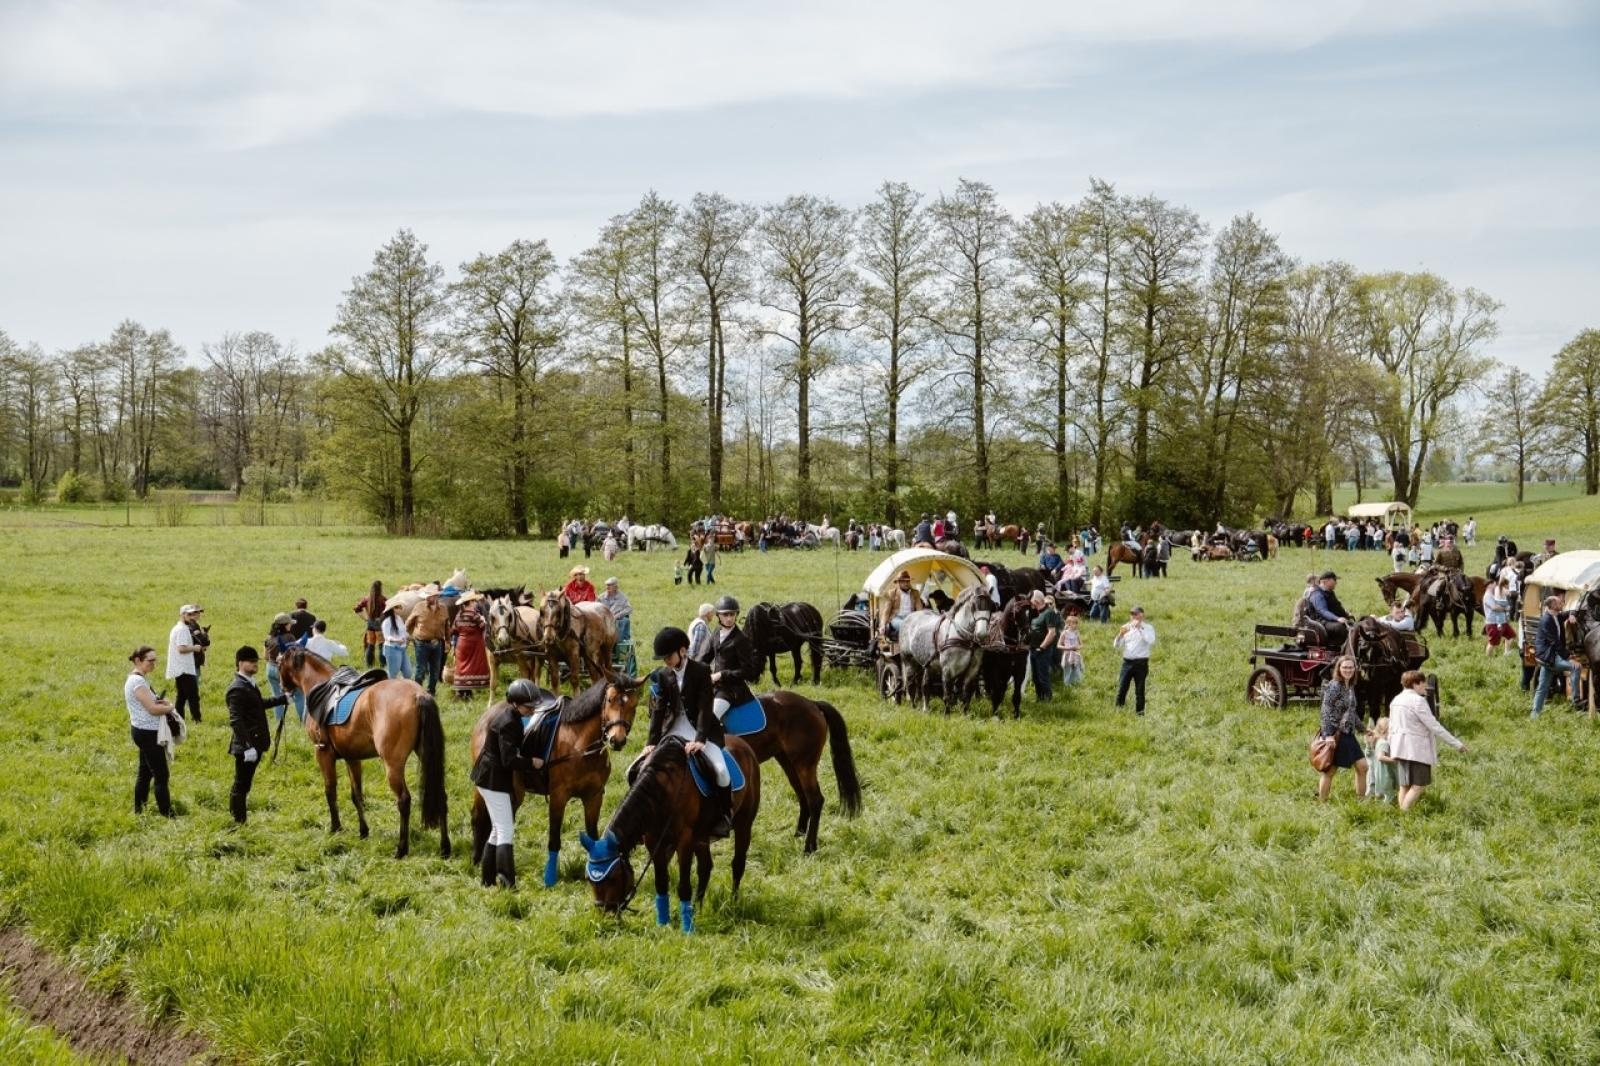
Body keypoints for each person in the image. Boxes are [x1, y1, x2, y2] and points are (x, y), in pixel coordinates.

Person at [647, 625, 733, 843]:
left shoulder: (701, 670)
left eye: (668, 656)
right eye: (663, 658)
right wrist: (651, 742)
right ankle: (644, 818)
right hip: (674, 729)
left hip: (700, 729)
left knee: (722, 772)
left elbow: (705, 707)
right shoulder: (664, 676)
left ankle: (724, 816)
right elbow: (658, 711)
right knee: (636, 769)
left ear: (682, 651)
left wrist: (700, 741)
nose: (665, 661)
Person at [471, 678, 552, 889]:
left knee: (497, 830)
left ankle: (487, 879)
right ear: (515, 703)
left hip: (489, 777)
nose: (532, 710)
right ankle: (507, 883)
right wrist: (531, 762)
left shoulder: (512, 716)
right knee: (505, 830)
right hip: (492, 780)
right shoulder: (508, 723)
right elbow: (509, 760)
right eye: (528, 706)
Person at [225, 645, 285, 824]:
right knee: (241, 785)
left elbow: (259, 704)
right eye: (251, 662)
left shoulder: (248, 683)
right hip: (247, 745)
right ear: (240, 663)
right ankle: (238, 821)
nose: (255, 665)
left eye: (256, 661)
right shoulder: (237, 688)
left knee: (244, 784)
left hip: (255, 743)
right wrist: (247, 746)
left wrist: (282, 699)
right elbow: (236, 720)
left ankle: (237, 817)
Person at [1390, 670, 1467, 811]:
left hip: (1399, 747)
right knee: (1419, 785)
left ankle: (1401, 819)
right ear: (1415, 684)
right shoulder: (1418, 701)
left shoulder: (1396, 699)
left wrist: (1391, 746)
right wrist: (1457, 744)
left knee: (1404, 785)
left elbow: (1391, 726)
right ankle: (1404, 815)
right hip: (1416, 749)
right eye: (1423, 683)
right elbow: (1434, 726)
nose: (1425, 686)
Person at [126, 645, 177, 817]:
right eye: (150, 660)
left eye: (155, 660)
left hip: (143, 731)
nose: (154, 664)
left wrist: (160, 703)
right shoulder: (137, 681)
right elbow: (152, 709)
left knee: (145, 772)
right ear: (138, 660)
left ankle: (139, 810)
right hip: (147, 733)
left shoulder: (140, 679)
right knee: (161, 775)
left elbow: (151, 703)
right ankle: (167, 814)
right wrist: (171, 707)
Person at [1316, 656, 1369, 801]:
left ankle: (1361, 801)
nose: (1348, 670)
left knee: (1362, 767)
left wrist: (1363, 729)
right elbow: (1325, 710)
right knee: (1330, 771)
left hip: (1348, 733)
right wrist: (1327, 735)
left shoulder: (1350, 686)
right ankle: (1322, 802)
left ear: (1355, 669)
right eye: (1344, 667)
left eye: (1351, 667)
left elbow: (1351, 711)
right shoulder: (1334, 686)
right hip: (1335, 734)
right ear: (1339, 669)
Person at [1532, 595, 1582, 718]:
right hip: (1548, 657)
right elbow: (1555, 642)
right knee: (1576, 667)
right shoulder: (1547, 620)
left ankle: (1534, 715)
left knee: (1542, 688)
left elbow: (1570, 611)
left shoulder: (1556, 616)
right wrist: (1569, 657)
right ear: (1553, 605)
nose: (1562, 603)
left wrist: (1572, 614)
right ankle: (1576, 702)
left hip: (1550, 656)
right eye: (1559, 603)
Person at [1112, 606, 1156, 716]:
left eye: (1136, 614)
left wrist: (1140, 628)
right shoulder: (1126, 627)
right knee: (1122, 687)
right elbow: (1116, 646)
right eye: (1132, 614)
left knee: (1139, 690)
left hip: (1141, 663)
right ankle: (1118, 711)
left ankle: (1140, 713)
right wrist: (1120, 635)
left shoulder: (1148, 628)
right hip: (1127, 662)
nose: (1134, 616)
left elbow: (1151, 641)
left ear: (1142, 615)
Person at [166, 604, 204, 722]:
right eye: (189, 614)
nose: (191, 616)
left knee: (181, 696)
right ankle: (197, 719)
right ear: (182, 615)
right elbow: (181, 649)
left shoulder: (179, 628)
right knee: (193, 695)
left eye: (193, 614)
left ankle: (179, 719)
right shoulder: (182, 629)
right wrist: (195, 648)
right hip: (184, 668)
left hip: (180, 667)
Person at [407, 586, 448, 697]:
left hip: (437, 643)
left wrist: (447, 641)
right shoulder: (419, 607)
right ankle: (417, 693)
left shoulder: (443, 608)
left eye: (430, 596)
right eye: (427, 596)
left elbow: (446, 626)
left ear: (436, 596)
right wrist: (412, 636)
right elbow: (409, 623)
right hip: (421, 643)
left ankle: (431, 692)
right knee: (421, 669)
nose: (427, 598)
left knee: (435, 670)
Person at [450, 592, 490, 699]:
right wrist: (484, 620)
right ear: (471, 602)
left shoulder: (459, 614)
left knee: (462, 667)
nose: (476, 603)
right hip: (474, 643)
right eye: (474, 601)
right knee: (473, 666)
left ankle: (463, 692)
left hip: (462, 643)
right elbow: (482, 627)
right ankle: (468, 692)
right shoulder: (474, 614)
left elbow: (454, 629)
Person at [1027, 590, 1061, 701]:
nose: (1030, 604)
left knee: (1043, 676)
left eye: (1031, 602)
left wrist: (1041, 647)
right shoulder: (1037, 613)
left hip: (1043, 651)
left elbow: (1052, 633)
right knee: (1035, 677)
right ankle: (1039, 698)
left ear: (1036, 601)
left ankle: (1048, 699)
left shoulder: (1049, 613)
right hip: (1033, 649)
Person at [1306, 572, 1354, 646]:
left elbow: (1336, 607)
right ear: (1325, 581)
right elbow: (1322, 611)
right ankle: (1340, 648)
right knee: (1340, 628)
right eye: (1334, 580)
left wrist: (1346, 614)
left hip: (1331, 621)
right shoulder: (1317, 594)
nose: (1336, 583)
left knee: (1354, 625)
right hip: (1321, 623)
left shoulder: (1330, 592)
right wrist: (1337, 618)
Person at [879, 571, 924, 639]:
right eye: (903, 581)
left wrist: (922, 620)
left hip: (910, 617)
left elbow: (919, 609)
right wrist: (882, 625)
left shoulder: (915, 593)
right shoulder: (892, 593)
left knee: (919, 626)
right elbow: (886, 612)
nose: (906, 583)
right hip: (897, 618)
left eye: (907, 581)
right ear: (899, 583)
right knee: (905, 625)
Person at [353, 580, 386, 669]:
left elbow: (356, 609)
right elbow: (388, 610)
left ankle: (369, 665)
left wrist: (365, 618)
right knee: (381, 646)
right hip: (380, 625)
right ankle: (383, 665)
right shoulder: (383, 599)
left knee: (370, 645)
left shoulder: (367, 598)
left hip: (370, 624)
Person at [1365, 717, 1399, 803]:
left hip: (1380, 773)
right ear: (1385, 730)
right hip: (1385, 774)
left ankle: (1378, 804)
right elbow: (1381, 757)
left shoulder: (1379, 741)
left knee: (1383, 794)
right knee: (1389, 795)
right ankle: (1386, 810)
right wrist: (1394, 760)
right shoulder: (1384, 743)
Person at [1482, 575, 1514, 655]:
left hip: (1501, 621)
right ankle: (1488, 660)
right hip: (1493, 623)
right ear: (1489, 585)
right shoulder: (1487, 596)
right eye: (1494, 584)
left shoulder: (1492, 594)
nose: (1495, 585)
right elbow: (1494, 607)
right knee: (1492, 643)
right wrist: (1505, 609)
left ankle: (1507, 652)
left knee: (1510, 635)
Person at [380, 602, 411, 680]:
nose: (401, 609)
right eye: (399, 608)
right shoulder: (387, 621)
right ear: (393, 609)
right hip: (392, 649)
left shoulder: (399, 618)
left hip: (402, 648)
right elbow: (386, 636)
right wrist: (397, 640)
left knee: (408, 672)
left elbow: (403, 631)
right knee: (393, 673)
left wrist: (409, 636)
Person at [1058, 613, 1084, 687]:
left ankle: (1076, 684)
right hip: (1067, 654)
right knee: (1068, 670)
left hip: (1075, 654)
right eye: (1073, 623)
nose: (1075, 625)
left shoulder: (1077, 633)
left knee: (1077, 669)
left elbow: (1081, 644)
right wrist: (1068, 648)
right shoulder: (1064, 633)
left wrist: (1077, 647)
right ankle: (1067, 685)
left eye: (1076, 624)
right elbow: (1059, 645)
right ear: (1068, 624)